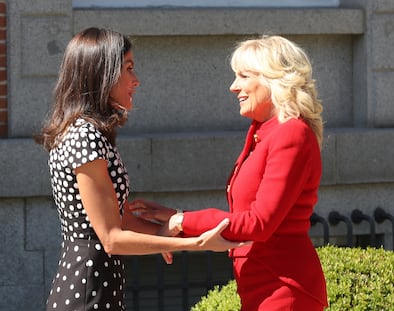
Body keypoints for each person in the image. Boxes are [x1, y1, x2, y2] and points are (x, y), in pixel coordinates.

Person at [35, 27, 247, 311]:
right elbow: (110, 238)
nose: (136, 80)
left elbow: (118, 219)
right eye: (129, 68)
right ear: (103, 73)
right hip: (87, 291)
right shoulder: (84, 135)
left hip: (95, 284)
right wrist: (195, 244)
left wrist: (165, 232)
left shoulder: (88, 132)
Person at [132, 35, 328, 310]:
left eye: (243, 76)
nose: (233, 87)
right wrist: (179, 217)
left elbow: (258, 223)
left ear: (274, 79)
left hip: (284, 290)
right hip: (260, 287)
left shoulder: (291, 133)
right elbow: (241, 218)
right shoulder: (263, 131)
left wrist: (181, 222)